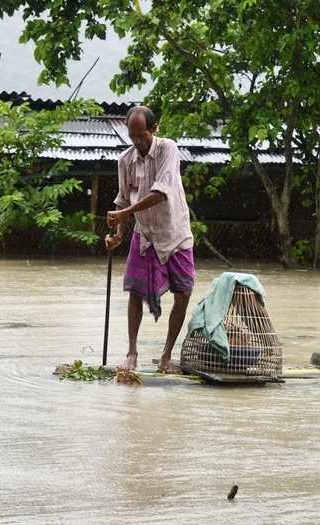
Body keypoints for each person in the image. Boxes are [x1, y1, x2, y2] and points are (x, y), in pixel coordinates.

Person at [105, 106, 195, 373]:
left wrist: (125, 212)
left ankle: (166, 356)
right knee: (135, 291)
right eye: (132, 136)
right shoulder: (125, 160)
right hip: (144, 234)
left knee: (184, 293)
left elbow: (161, 192)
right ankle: (131, 354)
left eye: (141, 135)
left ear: (154, 130)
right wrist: (118, 234)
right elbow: (122, 199)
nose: (137, 142)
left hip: (175, 231)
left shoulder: (168, 149)